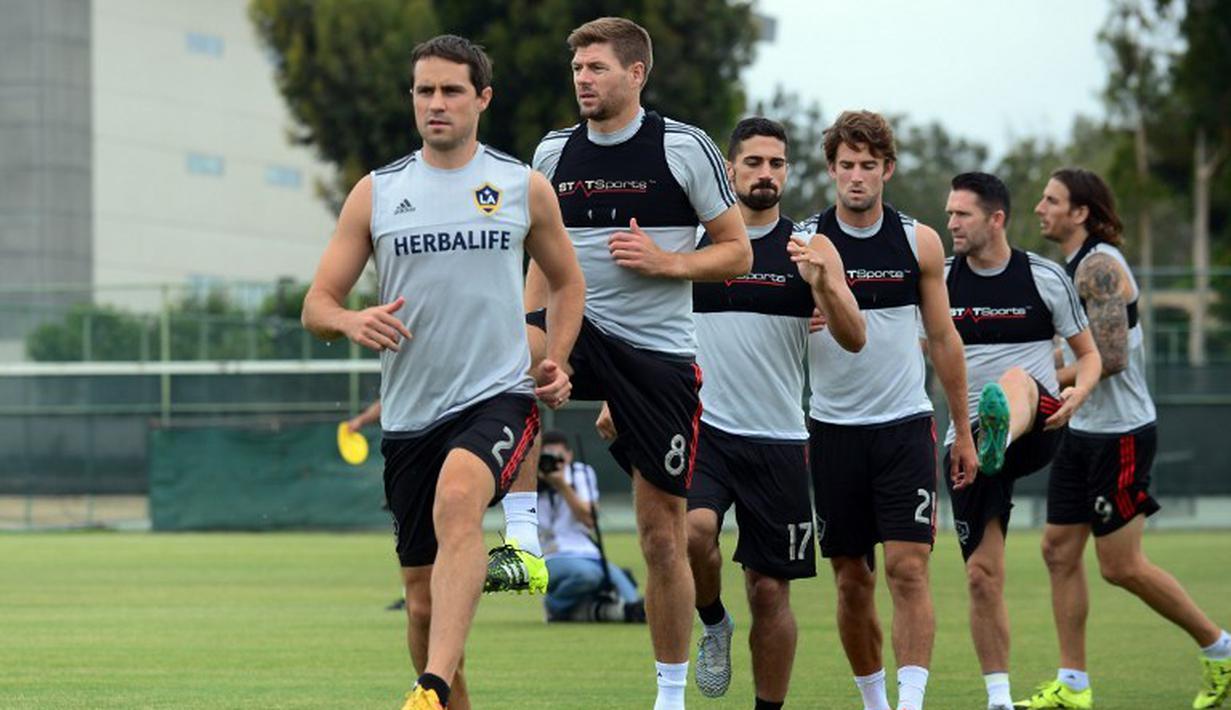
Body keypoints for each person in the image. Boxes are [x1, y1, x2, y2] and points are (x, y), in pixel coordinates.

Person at [300, 35, 585, 710]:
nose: (436, 103)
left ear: (481, 98)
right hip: (407, 418)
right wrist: (349, 321)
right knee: (422, 607)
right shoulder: (377, 192)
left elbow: (569, 284)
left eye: (451, 90)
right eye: (424, 90)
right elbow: (315, 304)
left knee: (459, 500)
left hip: (498, 396)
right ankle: (442, 688)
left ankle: (425, 687)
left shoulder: (522, 186)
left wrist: (559, 359)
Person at [523, 17, 752, 710]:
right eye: (578, 69)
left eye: (596, 67)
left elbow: (737, 252)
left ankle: (670, 696)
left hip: (655, 358)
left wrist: (667, 261)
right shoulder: (552, 153)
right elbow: (539, 262)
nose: (583, 80)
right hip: (578, 329)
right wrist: (544, 349)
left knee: (661, 537)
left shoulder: (684, 148)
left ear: (635, 74)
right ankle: (514, 536)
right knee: (500, 364)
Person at [1015, 168, 1231, 710]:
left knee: (1120, 566)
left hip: (1122, 434)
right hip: (1081, 431)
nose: (1040, 207)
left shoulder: (1100, 268)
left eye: (1051, 199)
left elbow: (1109, 359)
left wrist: (1042, 379)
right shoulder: (1064, 270)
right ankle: (1073, 685)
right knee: (1057, 550)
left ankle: (1221, 648)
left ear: (1081, 212)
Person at [798, 110, 977, 710]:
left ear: (887, 170)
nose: (856, 177)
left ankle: (910, 703)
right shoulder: (804, 241)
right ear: (830, 170)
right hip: (831, 431)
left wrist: (962, 429)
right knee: (852, 582)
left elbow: (945, 338)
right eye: (845, 165)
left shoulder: (918, 241)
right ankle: (875, 701)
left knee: (907, 570)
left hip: (903, 427)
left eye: (867, 166)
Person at [686, 117, 865, 709]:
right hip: (703, 427)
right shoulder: (696, 241)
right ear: (729, 169)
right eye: (754, 162)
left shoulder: (811, 248)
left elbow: (854, 336)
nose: (766, 174)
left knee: (769, 592)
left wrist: (826, 287)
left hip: (779, 438)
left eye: (777, 164)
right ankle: (712, 620)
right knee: (694, 531)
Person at [936, 172, 1100, 710]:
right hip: (967, 446)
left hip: (1039, 424)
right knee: (983, 577)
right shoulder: (937, 281)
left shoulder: (1044, 277)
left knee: (1014, 382)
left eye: (963, 215)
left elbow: (1091, 355)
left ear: (997, 219)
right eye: (950, 213)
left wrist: (1078, 393)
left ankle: (998, 424)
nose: (951, 223)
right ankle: (999, 700)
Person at [536, 430, 645, 623]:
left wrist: (562, 485)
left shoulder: (580, 474)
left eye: (558, 457)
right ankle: (553, 605)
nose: (552, 463)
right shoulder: (530, 482)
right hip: (550, 556)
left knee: (631, 602)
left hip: (589, 553)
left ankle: (579, 610)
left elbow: (589, 519)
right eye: (546, 457)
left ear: (569, 455)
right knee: (589, 576)